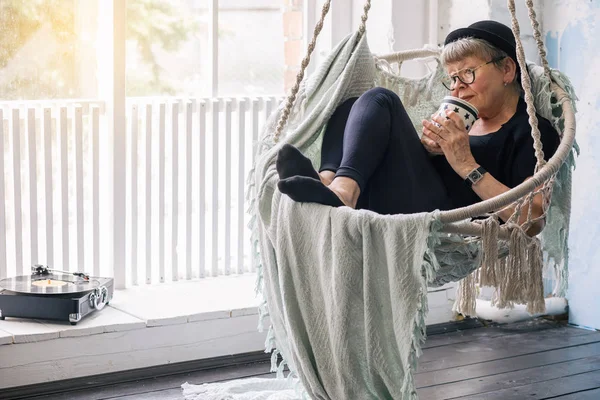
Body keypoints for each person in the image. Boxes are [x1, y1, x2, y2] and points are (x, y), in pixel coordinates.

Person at [276, 20, 560, 234]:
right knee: (352, 105)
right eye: (452, 78)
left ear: (507, 70)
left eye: (468, 73)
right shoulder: (463, 121)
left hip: (444, 221)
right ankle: (329, 181)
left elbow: (532, 220)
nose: (458, 86)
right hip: (396, 197)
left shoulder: (533, 132)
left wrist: (466, 165)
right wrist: (430, 151)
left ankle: (342, 194)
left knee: (381, 100)